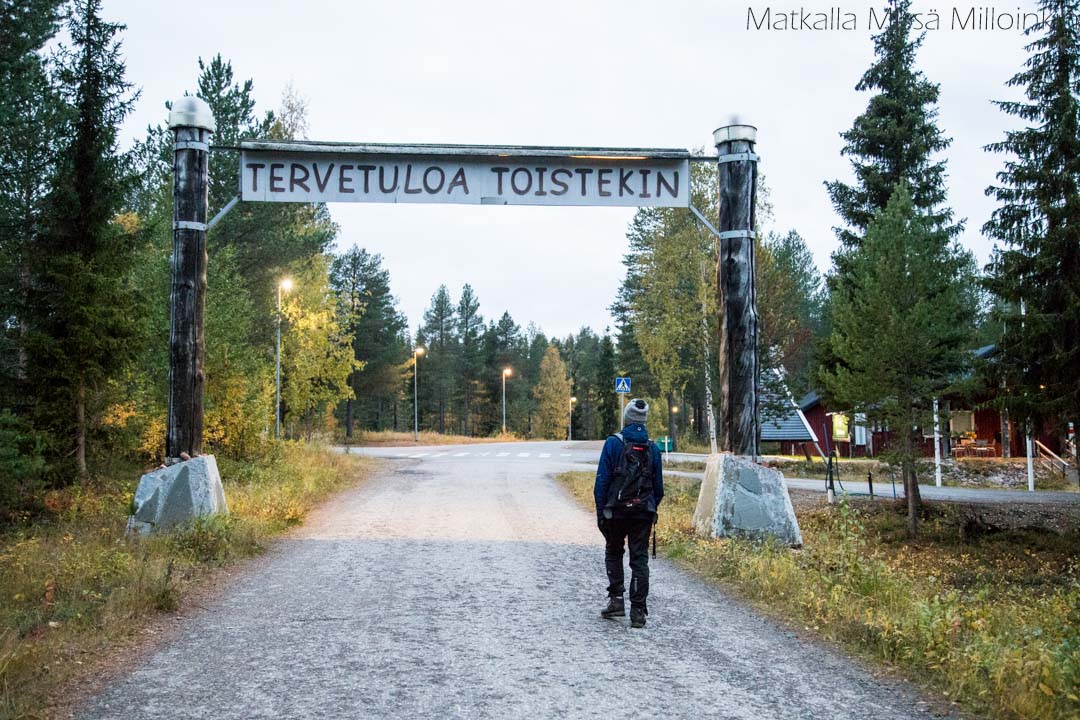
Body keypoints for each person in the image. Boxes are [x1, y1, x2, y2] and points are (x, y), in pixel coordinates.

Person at [593, 398, 663, 628]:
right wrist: (649, 507)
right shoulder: (653, 448)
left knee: (614, 552)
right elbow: (659, 488)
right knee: (639, 560)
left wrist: (602, 512)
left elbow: (601, 482)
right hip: (643, 512)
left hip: (616, 511)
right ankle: (638, 612)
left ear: (627, 418)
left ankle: (616, 601)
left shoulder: (614, 443)